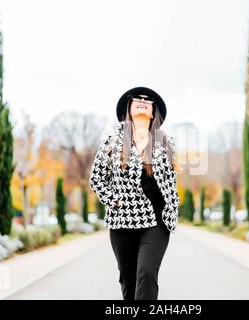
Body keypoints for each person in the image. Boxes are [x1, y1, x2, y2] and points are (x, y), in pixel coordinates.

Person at [89, 86, 181, 300]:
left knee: (147, 274)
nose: (142, 101)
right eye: (137, 98)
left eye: (147, 100)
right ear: (128, 108)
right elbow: (96, 179)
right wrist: (116, 201)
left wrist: (172, 205)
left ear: (152, 111)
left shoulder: (166, 143)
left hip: (156, 222)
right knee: (128, 282)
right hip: (122, 222)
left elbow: (170, 184)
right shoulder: (111, 141)